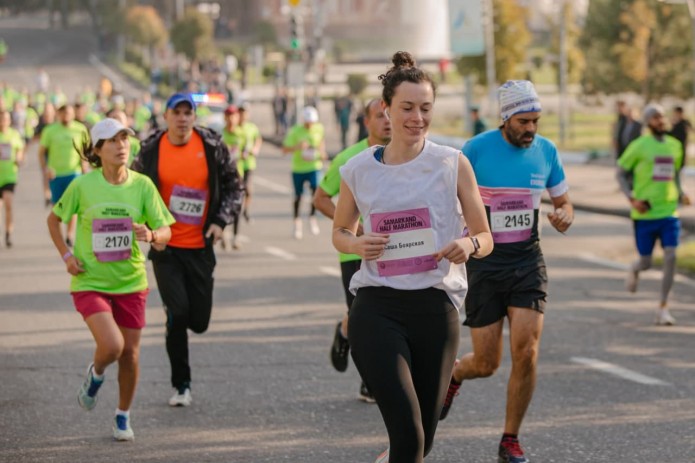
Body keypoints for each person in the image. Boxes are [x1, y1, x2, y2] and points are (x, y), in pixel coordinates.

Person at [332, 51, 492, 463]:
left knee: (423, 440)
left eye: (425, 108)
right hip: (377, 307)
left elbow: (485, 235)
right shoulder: (357, 169)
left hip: (436, 308)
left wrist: (469, 245)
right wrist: (356, 245)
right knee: (407, 437)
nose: (417, 117)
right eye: (407, 108)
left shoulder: (451, 163)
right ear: (386, 109)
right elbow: (340, 231)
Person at [440, 80, 574, 463]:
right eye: (524, 121)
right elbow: (451, 201)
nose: (531, 128)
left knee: (527, 350)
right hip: (485, 262)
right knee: (486, 363)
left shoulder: (546, 151)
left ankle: (510, 440)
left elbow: (565, 201)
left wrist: (564, 214)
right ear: (505, 118)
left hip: (527, 261)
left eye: (536, 120)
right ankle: (456, 375)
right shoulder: (476, 150)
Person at [46, 118, 174, 441]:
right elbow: (53, 219)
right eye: (113, 141)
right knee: (113, 346)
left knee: (130, 354)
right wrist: (67, 255)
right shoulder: (82, 186)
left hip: (131, 282)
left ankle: (122, 415)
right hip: (91, 281)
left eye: (125, 139)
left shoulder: (143, 185)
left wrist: (152, 233)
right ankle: (97, 372)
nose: (122, 146)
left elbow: (166, 233)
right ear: (98, 150)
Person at [131, 92, 243, 407]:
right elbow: (134, 189)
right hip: (165, 246)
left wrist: (220, 222)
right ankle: (182, 384)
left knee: (200, 321)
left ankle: (178, 321)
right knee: (177, 315)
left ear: (194, 117)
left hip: (200, 246)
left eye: (187, 113)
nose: (182, 118)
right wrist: (143, 228)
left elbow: (235, 187)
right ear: (165, 117)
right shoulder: (150, 149)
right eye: (176, 112)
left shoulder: (211, 146)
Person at [314, 98, 391, 403]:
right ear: (366, 122)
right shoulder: (349, 158)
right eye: (379, 115)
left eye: (389, 114)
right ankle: (369, 380)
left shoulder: (404, 156)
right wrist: (353, 227)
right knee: (365, 318)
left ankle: (345, 330)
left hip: (393, 251)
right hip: (354, 253)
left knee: (384, 315)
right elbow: (320, 198)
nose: (386, 120)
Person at [617, 103, 690, 326]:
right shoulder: (639, 146)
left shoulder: (675, 146)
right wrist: (632, 199)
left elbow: (675, 174)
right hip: (645, 213)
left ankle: (663, 307)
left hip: (669, 211)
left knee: (671, 256)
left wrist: (681, 192)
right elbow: (620, 173)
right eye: (656, 117)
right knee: (646, 262)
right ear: (648, 122)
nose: (661, 120)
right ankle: (635, 268)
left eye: (662, 116)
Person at [38, 104, 89, 245]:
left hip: (74, 173)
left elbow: (85, 150)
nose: (66, 115)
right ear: (58, 114)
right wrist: (45, 169)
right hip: (56, 174)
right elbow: (41, 153)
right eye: (63, 113)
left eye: (69, 113)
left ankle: (70, 235)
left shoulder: (80, 129)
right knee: (58, 208)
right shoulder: (50, 130)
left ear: (73, 114)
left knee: (73, 205)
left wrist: (84, 165)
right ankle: (58, 235)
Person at [282, 105, 327, 240]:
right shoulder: (295, 131)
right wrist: (297, 147)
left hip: (314, 166)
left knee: (315, 191)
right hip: (298, 168)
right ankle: (297, 222)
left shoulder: (319, 128)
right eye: (307, 123)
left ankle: (312, 218)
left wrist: (322, 152)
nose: (309, 125)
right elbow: (284, 150)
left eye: (311, 123)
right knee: (298, 196)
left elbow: (321, 142)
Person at [220, 104, 245, 250]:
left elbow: (246, 150)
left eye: (233, 116)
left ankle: (235, 237)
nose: (231, 119)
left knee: (237, 208)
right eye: (228, 116)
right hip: (223, 176)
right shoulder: (220, 135)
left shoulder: (242, 134)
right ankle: (223, 232)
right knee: (223, 206)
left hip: (238, 175)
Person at [0, 109, 25, 247]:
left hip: (9, 175)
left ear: (9, 120)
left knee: (8, 204)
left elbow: (20, 150)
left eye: (6, 118)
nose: (3, 121)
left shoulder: (14, 135)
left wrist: (19, 159)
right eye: (1, 118)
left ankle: (8, 233)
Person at [238, 103, 262, 223]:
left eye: (244, 112)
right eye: (241, 112)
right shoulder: (234, 127)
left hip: (249, 163)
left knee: (248, 189)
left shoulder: (252, 127)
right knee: (238, 189)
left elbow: (258, 139)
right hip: (237, 164)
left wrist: (255, 149)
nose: (242, 115)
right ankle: (237, 209)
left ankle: (246, 209)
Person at [669, 106, 691, 174]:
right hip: (674, 147)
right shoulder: (676, 123)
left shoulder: (684, 123)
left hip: (681, 146)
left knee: (679, 166)